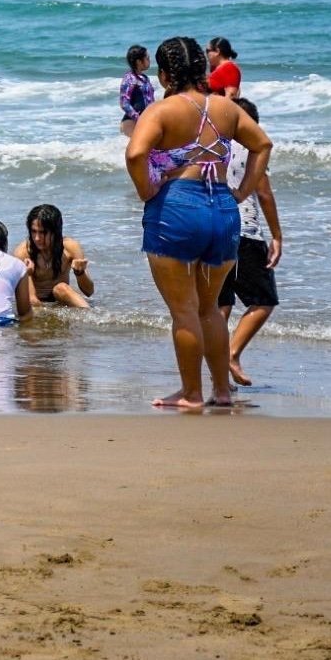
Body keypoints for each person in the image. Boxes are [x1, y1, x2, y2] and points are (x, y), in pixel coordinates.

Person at [125, 36, 272, 409]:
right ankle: (221, 391)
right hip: (223, 211)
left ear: (164, 75)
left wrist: (146, 190)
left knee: (184, 310)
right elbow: (263, 145)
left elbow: (136, 153)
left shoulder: (161, 111)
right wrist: (242, 192)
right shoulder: (226, 108)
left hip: (176, 209)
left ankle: (191, 393)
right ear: (202, 70)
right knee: (210, 309)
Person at [219, 97, 282, 387]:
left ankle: (218, 376)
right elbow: (264, 194)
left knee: (221, 304)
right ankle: (231, 354)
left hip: (213, 231)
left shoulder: (213, 147)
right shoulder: (251, 150)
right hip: (244, 233)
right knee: (263, 300)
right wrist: (277, 236)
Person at [12, 204, 94, 308]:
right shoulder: (23, 253)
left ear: (56, 231)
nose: (37, 238)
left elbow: (89, 291)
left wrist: (80, 273)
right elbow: (31, 300)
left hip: (62, 300)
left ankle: (93, 315)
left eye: (43, 232)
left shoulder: (70, 248)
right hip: (37, 304)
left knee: (61, 288)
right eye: (33, 231)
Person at [119, 44, 155, 136]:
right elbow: (124, 103)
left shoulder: (144, 78)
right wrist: (138, 118)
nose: (149, 60)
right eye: (147, 58)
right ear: (139, 62)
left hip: (144, 121)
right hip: (131, 123)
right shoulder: (129, 78)